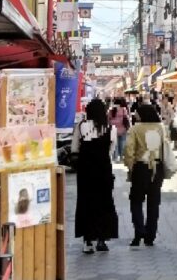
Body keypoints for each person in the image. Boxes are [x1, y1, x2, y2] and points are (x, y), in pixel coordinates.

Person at [71, 98, 119, 254]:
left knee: (86, 203)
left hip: (86, 171)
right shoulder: (110, 129)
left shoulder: (81, 126)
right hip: (103, 170)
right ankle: (102, 239)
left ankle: (87, 241)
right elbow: (111, 150)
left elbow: (74, 148)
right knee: (104, 203)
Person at [124, 104, 174, 247]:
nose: (136, 115)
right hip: (157, 168)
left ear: (142, 114)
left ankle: (139, 231)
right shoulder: (161, 128)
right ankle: (150, 236)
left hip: (140, 167)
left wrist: (130, 166)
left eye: (137, 113)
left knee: (136, 200)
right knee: (153, 203)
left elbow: (129, 150)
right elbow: (166, 146)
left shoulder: (135, 129)